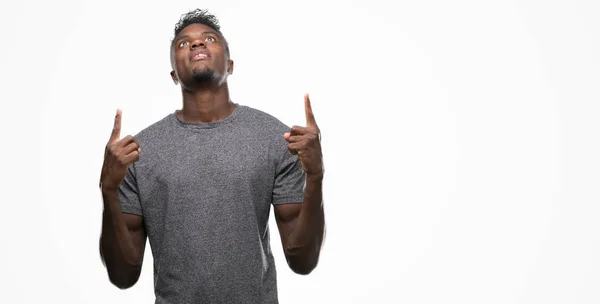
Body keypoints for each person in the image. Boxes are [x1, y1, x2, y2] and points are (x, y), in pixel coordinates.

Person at [98, 8, 325, 304]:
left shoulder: (277, 139)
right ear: (173, 75)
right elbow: (123, 276)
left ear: (230, 65)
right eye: (183, 43)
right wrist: (109, 190)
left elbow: (302, 261)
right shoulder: (138, 153)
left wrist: (317, 177)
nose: (196, 44)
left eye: (209, 38)